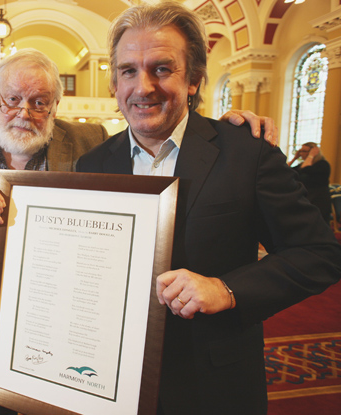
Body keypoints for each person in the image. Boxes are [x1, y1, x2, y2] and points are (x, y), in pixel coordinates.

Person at [0, 48, 278, 414]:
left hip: (70, 322)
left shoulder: (90, 141)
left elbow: (161, 141)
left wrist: (227, 127)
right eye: (13, 99)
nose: (24, 112)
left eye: (40, 102)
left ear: (56, 105)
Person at [76, 3, 341, 414]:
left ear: (195, 79)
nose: (143, 86)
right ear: (114, 82)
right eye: (128, 70)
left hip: (211, 381)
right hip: (109, 373)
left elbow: (320, 254)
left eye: (162, 69)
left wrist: (228, 289)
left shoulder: (246, 153)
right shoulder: (92, 164)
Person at [288, 142, 332, 221]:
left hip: (319, 199)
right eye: (300, 151)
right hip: (306, 197)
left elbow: (305, 169)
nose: (301, 153)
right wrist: (295, 158)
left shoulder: (323, 164)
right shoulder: (302, 165)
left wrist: (311, 156)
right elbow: (286, 170)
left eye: (304, 151)